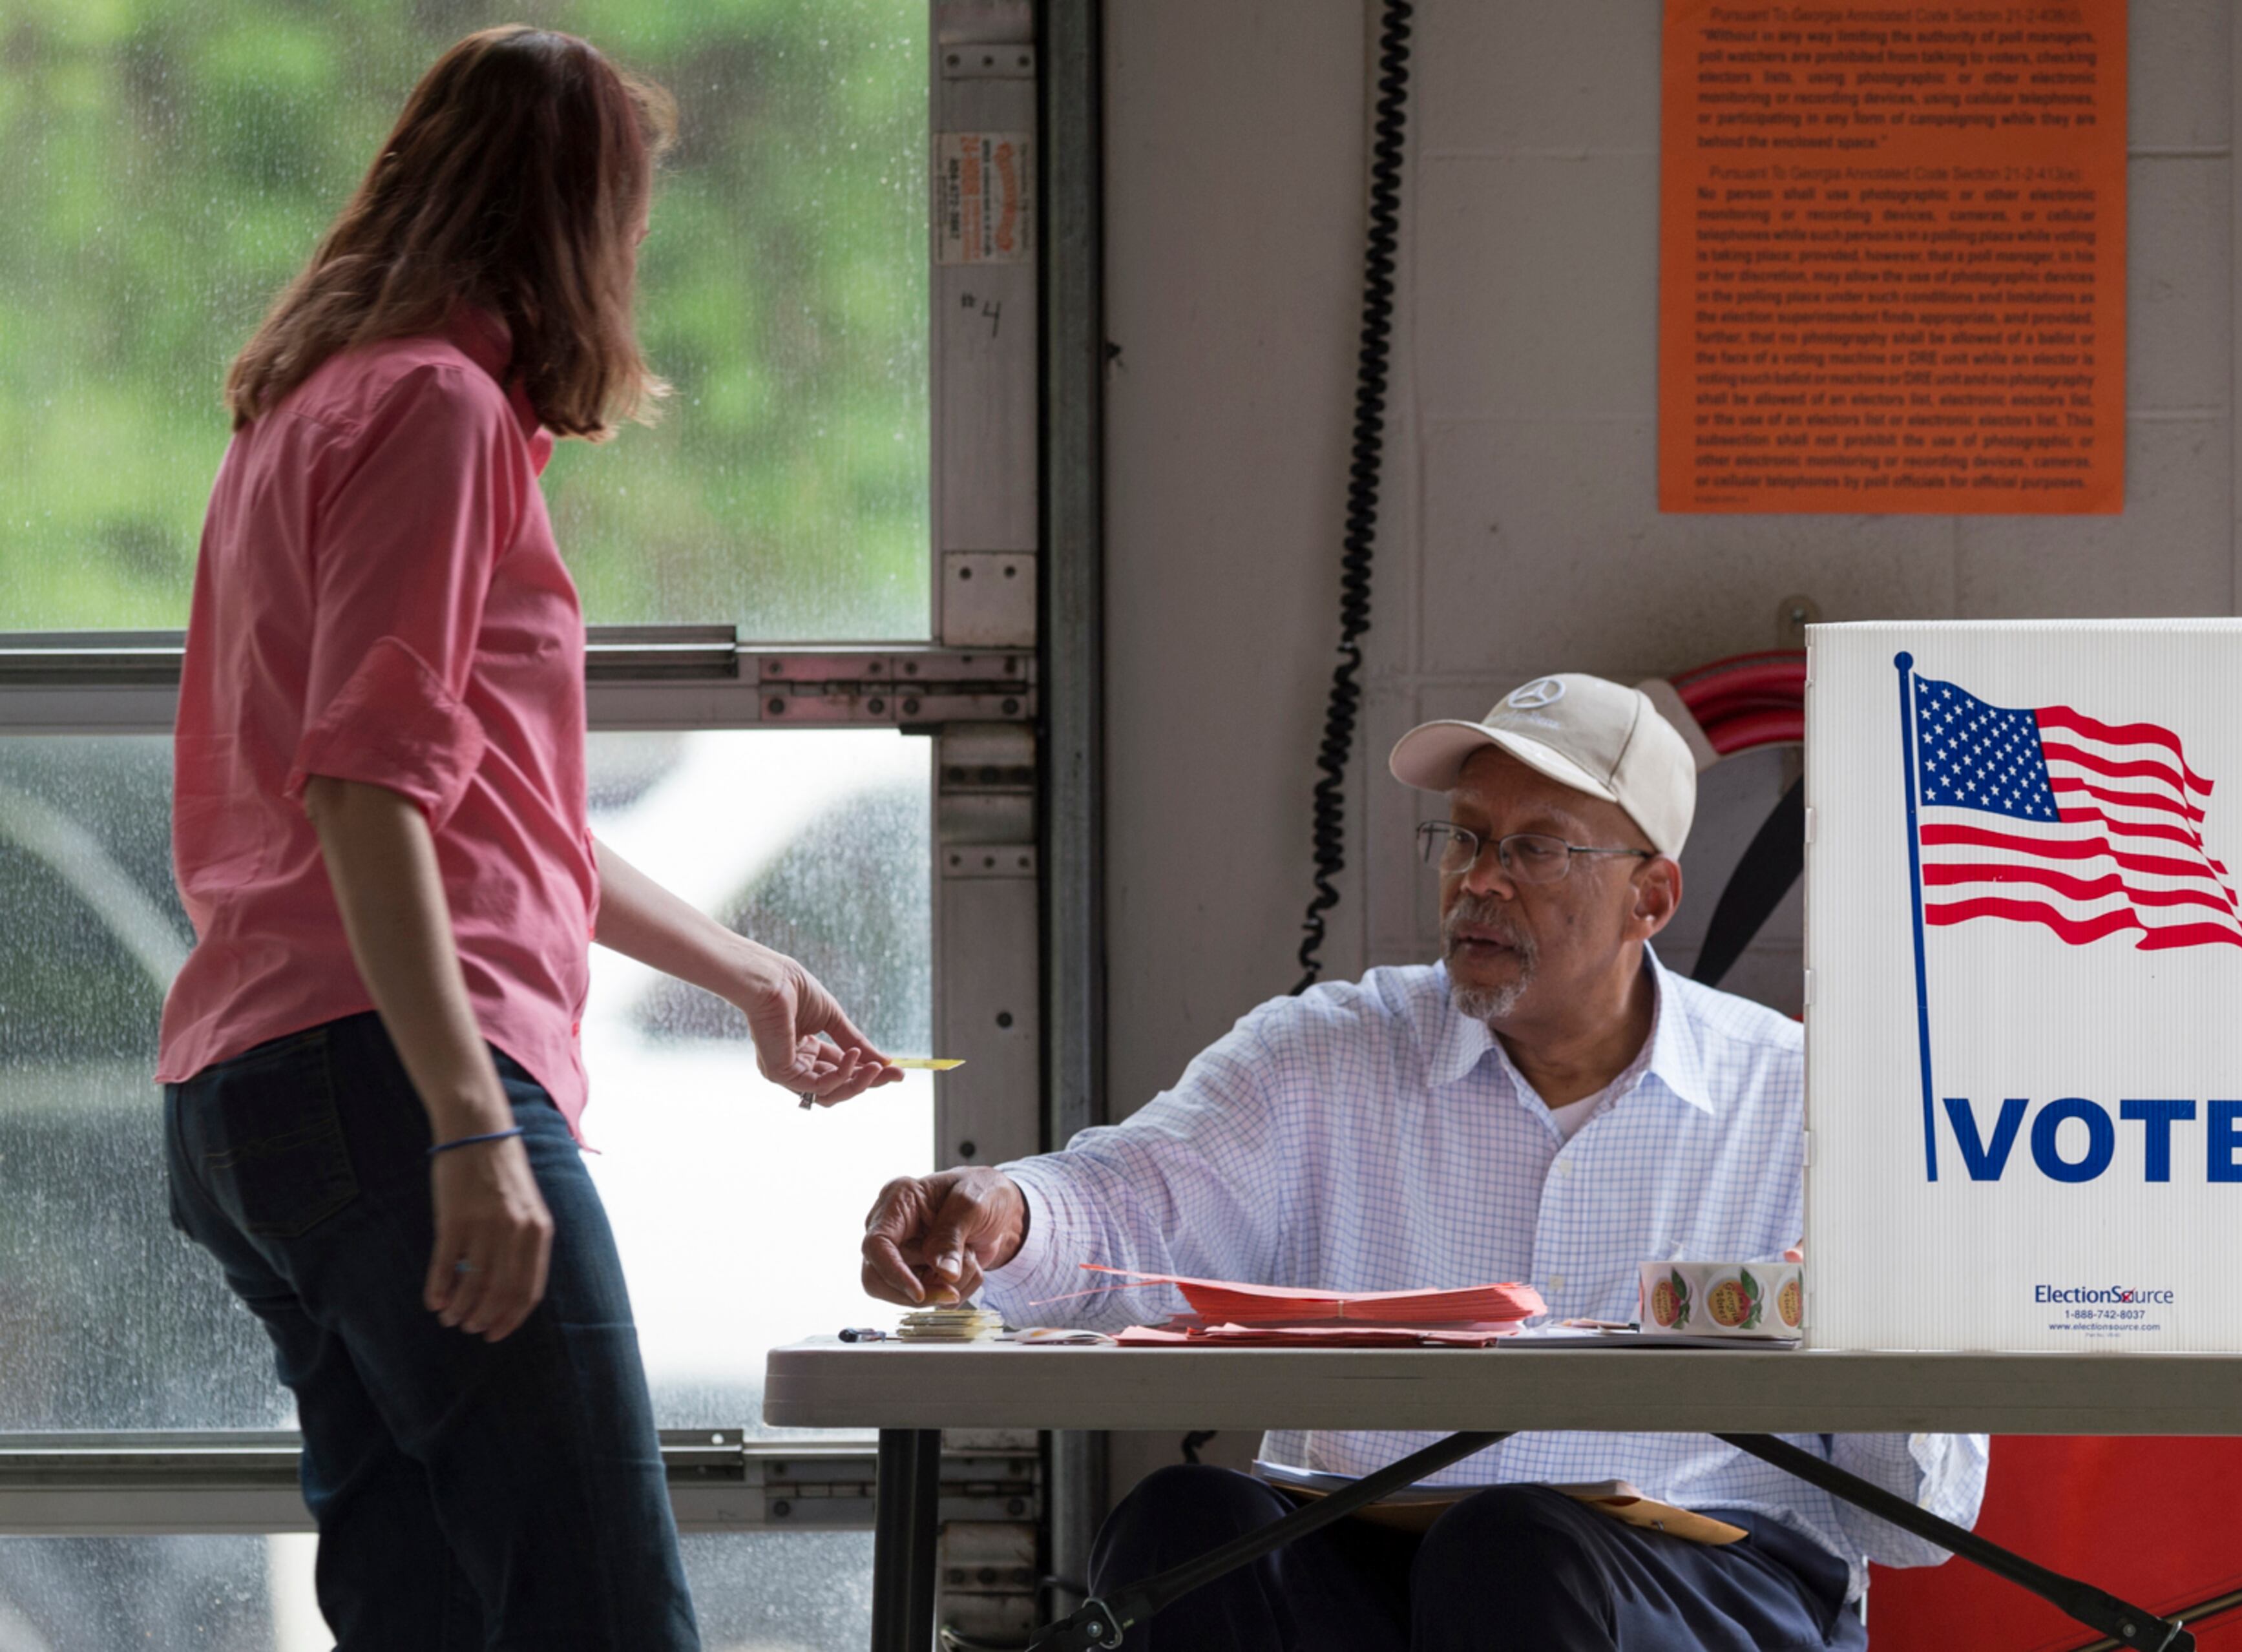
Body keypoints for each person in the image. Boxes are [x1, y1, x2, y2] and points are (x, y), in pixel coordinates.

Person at [155, 28, 899, 1650]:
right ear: (579, 223)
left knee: (425, 1614)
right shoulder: (436, 413)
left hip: (251, 1090)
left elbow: (492, 813)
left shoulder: (307, 410)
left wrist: (747, 969)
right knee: (603, 1614)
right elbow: (365, 794)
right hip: (388, 1089)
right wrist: (469, 1125)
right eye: (631, 215)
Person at [861, 672, 1988, 1651]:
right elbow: (1142, 1197)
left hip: (1709, 1583)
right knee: (1184, 1525)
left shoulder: (1810, 1102)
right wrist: (1009, 1210)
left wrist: (1886, 1300)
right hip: (1370, 1557)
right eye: (1465, 836)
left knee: (1514, 1546)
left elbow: (1915, 1525)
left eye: (1535, 847)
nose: (1480, 880)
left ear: (1652, 895)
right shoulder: (1331, 1048)